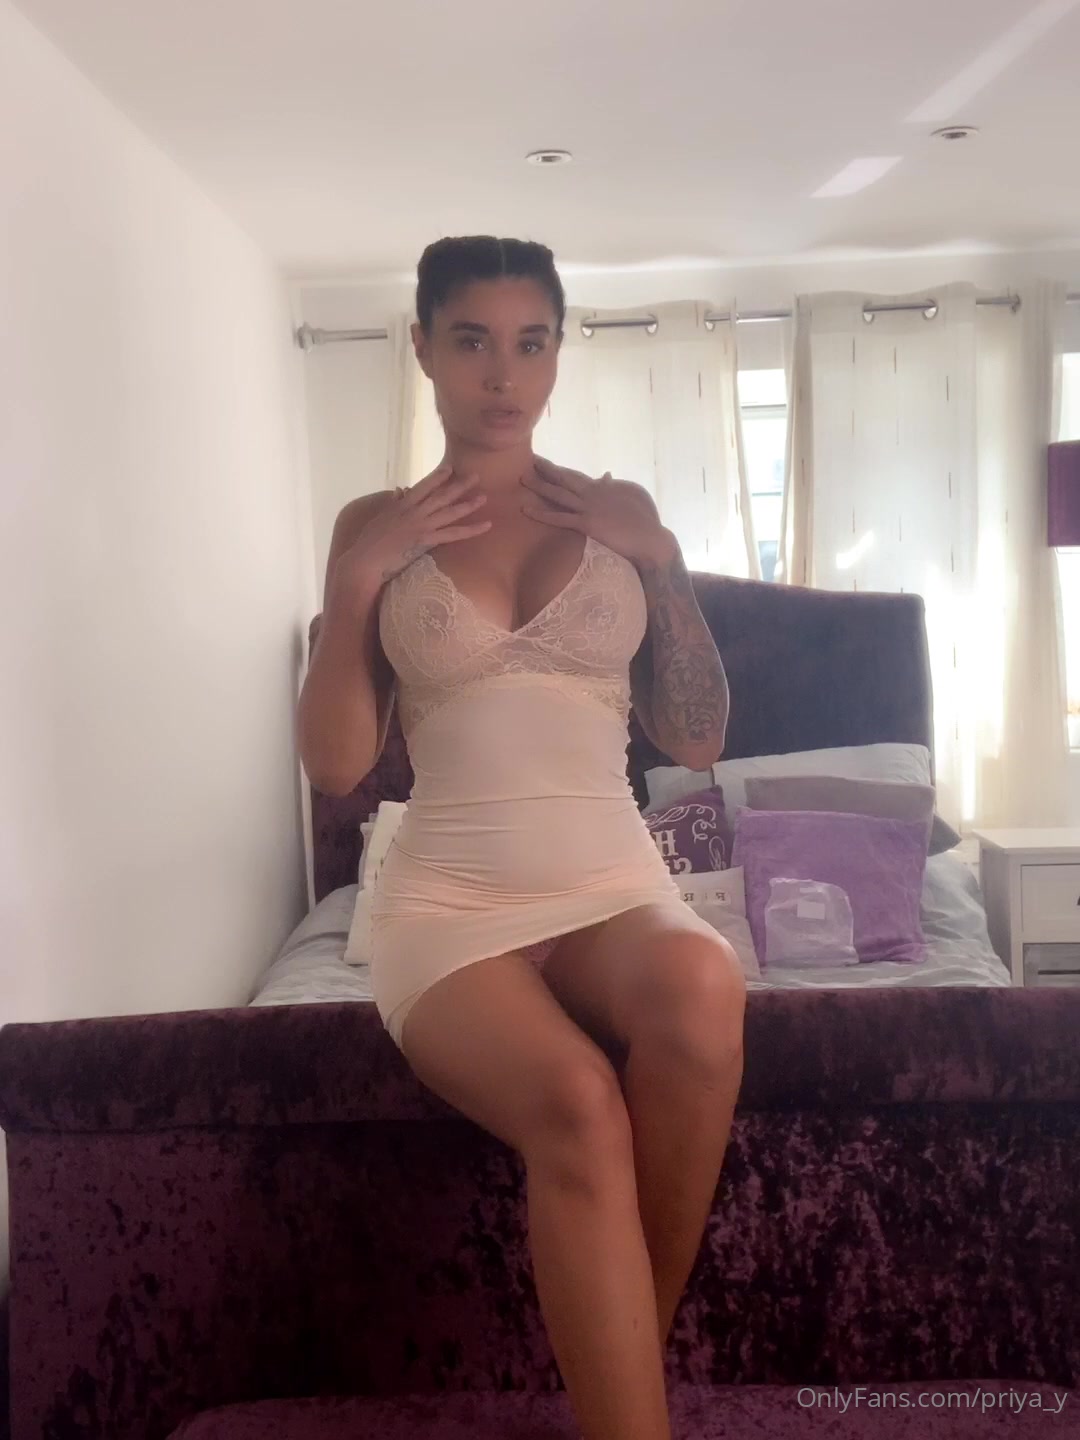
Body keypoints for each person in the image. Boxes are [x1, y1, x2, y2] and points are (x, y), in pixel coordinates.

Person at [297, 235, 746, 1440]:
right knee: (579, 1102)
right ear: (423, 350)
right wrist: (355, 587)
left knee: (706, 987)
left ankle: (620, 1377)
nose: (504, 375)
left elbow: (696, 736)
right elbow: (336, 765)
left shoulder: (618, 513)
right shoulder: (373, 525)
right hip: (450, 907)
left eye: (531, 343)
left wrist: (664, 560)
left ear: (556, 353)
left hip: (612, 886)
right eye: (472, 341)